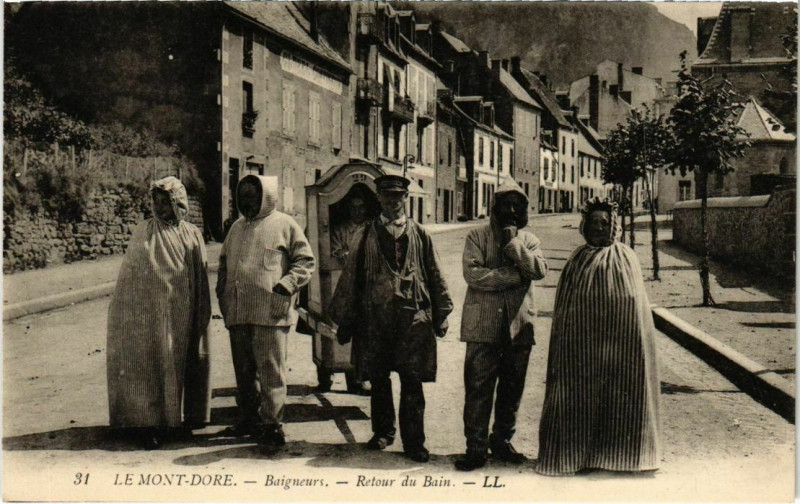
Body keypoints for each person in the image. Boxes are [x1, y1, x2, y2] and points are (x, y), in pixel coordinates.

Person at [329, 174, 453, 463]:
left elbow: (435, 274)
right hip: (376, 319)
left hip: (413, 320)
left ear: (405, 199)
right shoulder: (365, 235)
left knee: (412, 380)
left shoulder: (420, 234)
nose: (392, 202)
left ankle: (414, 442)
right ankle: (383, 432)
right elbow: (351, 278)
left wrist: (441, 314)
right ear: (380, 199)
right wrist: (346, 321)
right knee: (379, 378)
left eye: (398, 196)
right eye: (387, 196)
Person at [536, 197, 660, 476]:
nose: (599, 228)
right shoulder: (577, 259)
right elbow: (565, 306)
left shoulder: (626, 257)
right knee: (578, 397)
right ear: (584, 225)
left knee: (620, 396)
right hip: (581, 344)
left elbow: (635, 303)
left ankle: (621, 456)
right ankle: (577, 455)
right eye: (593, 222)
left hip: (620, 343)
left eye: (605, 223)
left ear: (614, 225)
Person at [107, 176, 211, 450]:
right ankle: (148, 422)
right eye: (155, 201)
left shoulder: (192, 234)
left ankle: (173, 422)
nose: (159, 206)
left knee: (177, 363)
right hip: (148, 312)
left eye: (165, 201)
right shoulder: (144, 231)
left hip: (181, 310)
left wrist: (200, 311)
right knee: (149, 364)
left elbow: (199, 274)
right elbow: (130, 275)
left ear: (178, 202)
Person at [216, 174, 316, 451]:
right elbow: (223, 264)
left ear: (266, 197)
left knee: (271, 372)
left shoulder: (284, 224)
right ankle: (248, 419)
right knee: (244, 373)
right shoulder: (236, 228)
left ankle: (272, 425)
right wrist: (223, 294)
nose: (246, 203)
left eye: (252, 197)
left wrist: (289, 283)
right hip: (239, 312)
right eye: (242, 197)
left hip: (270, 313)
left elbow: (305, 261)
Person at [454, 178, 549, 471]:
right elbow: (474, 276)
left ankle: (502, 441)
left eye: (517, 206)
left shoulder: (529, 240)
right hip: (482, 328)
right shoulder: (477, 236)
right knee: (478, 390)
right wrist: (513, 276)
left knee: (511, 391)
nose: (511, 211)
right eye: (505, 205)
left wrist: (513, 244)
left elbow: (538, 270)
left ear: (524, 210)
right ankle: (475, 448)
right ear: (494, 207)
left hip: (518, 329)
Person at [331, 192, 368, 262]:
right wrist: (339, 252)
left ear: (366, 208)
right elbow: (334, 250)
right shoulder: (339, 230)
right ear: (348, 209)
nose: (357, 212)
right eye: (353, 208)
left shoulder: (374, 227)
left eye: (361, 207)